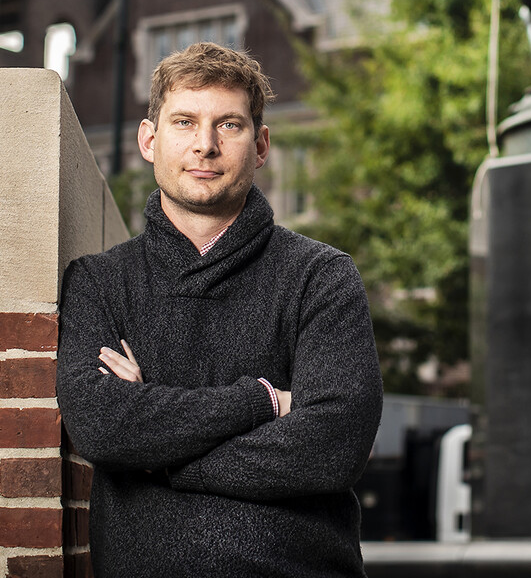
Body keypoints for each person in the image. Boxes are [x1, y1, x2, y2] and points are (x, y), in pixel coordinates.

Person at [56, 42, 383, 577]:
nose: (205, 145)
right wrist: (262, 401)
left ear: (261, 146)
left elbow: (334, 445)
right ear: (149, 139)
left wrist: (155, 452)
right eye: (184, 121)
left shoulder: (321, 276)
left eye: (228, 125)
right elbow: (102, 426)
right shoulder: (99, 283)